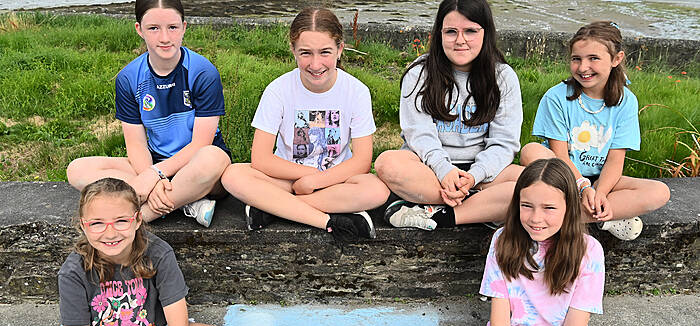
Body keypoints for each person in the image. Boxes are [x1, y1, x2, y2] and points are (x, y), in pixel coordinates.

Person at [424, 158, 632, 326]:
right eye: (527, 205)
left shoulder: (588, 251)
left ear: (569, 207)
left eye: (549, 208)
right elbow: (500, 316)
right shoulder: (503, 240)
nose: (535, 218)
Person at [32, 178, 234, 326]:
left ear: (137, 220)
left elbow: (178, 325)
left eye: (121, 221)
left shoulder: (159, 253)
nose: (110, 233)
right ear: (83, 224)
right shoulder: (73, 272)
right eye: (97, 223)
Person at [221, 7, 390, 241]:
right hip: (286, 179)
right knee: (233, 175)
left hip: (335, 181)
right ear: (293, 51)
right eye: (306, 53)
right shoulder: (278, 90)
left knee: (377, 190)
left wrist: (317, 180)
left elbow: (362, 161)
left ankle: (275, 208)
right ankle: (325, 219)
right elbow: (261, 158)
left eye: (325, 52)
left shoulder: (357, 91)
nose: (315, 63)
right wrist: (305, 176)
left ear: (340, 49)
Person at [66, 0, 231, 228]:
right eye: (153, 28)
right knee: (78, 170)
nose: (164, 37)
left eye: (172, 27)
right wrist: (151, 176)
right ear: (139, 30)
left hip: (197, 164)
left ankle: (137, 219)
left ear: (184, 27)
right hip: (152, 163)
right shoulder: (128, 77)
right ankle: (185, 202)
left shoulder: (203, 72)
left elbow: (200, 145)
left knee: (212, 159)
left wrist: (155, 175)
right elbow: (136, 145)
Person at [374, 0, 523, 231]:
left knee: (531, 183)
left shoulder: (503, 77)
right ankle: (483, 208)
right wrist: (445, 171)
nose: (460, 40)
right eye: (451, 32)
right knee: (387, 164)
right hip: (429, 169)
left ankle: (434, 211)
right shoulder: (419, 73)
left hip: (483, 174)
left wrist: (473, 176)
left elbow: (504, 142)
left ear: (486, 32)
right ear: (439, 34)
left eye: (470, 31)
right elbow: (419, 134)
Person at [520, 21, 669, 240]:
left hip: (602, 179)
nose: (583, 67)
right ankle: (606, 216)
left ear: (616, 59)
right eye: (576, 59)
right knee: (531, 151)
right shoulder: (556, 97)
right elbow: (559, 156)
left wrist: (599, 193)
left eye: (593, 59)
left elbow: (615, 161)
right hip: (562, 177)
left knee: (660, 192)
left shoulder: (626, 102)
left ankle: (586, 214)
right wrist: (582, 188)